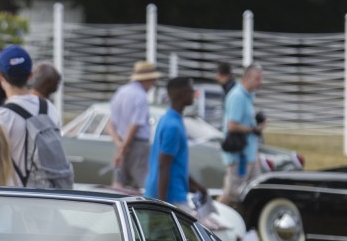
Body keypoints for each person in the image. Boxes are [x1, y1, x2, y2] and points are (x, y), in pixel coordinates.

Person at [0, 45, 69, 188]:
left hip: (14, 202)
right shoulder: (49, 109)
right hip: (47, 199)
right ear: (30, 75)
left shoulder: (0, 116)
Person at [144, 77, 208, 208]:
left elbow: (175, 163)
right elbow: (164, 165)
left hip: (171, 194)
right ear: (182, 95)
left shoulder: (169, 118)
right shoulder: (173, 125)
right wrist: (163, 206)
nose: (194, 94)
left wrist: (196, 185)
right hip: (171, 197)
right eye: (191, 91)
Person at [107, 61, 161, 189]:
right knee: (145, 181)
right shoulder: (140, 96)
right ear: (147, 80)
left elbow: (110, 123)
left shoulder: (121, 92)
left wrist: (119, 145)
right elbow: (135, 124)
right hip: (137, 144)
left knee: (119, 182)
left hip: (121, 141)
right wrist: (124, 147)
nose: (152, 85)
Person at [221, 62, 266, 207]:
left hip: (250, 154)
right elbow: (231, 125)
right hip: (239, 156)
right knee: (231, 195)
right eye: (258, 78)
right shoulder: (237, 96)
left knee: (255, 190)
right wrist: (253, 129)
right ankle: (210, 222)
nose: (261, 82)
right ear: (247, 78)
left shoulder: (248, 95)